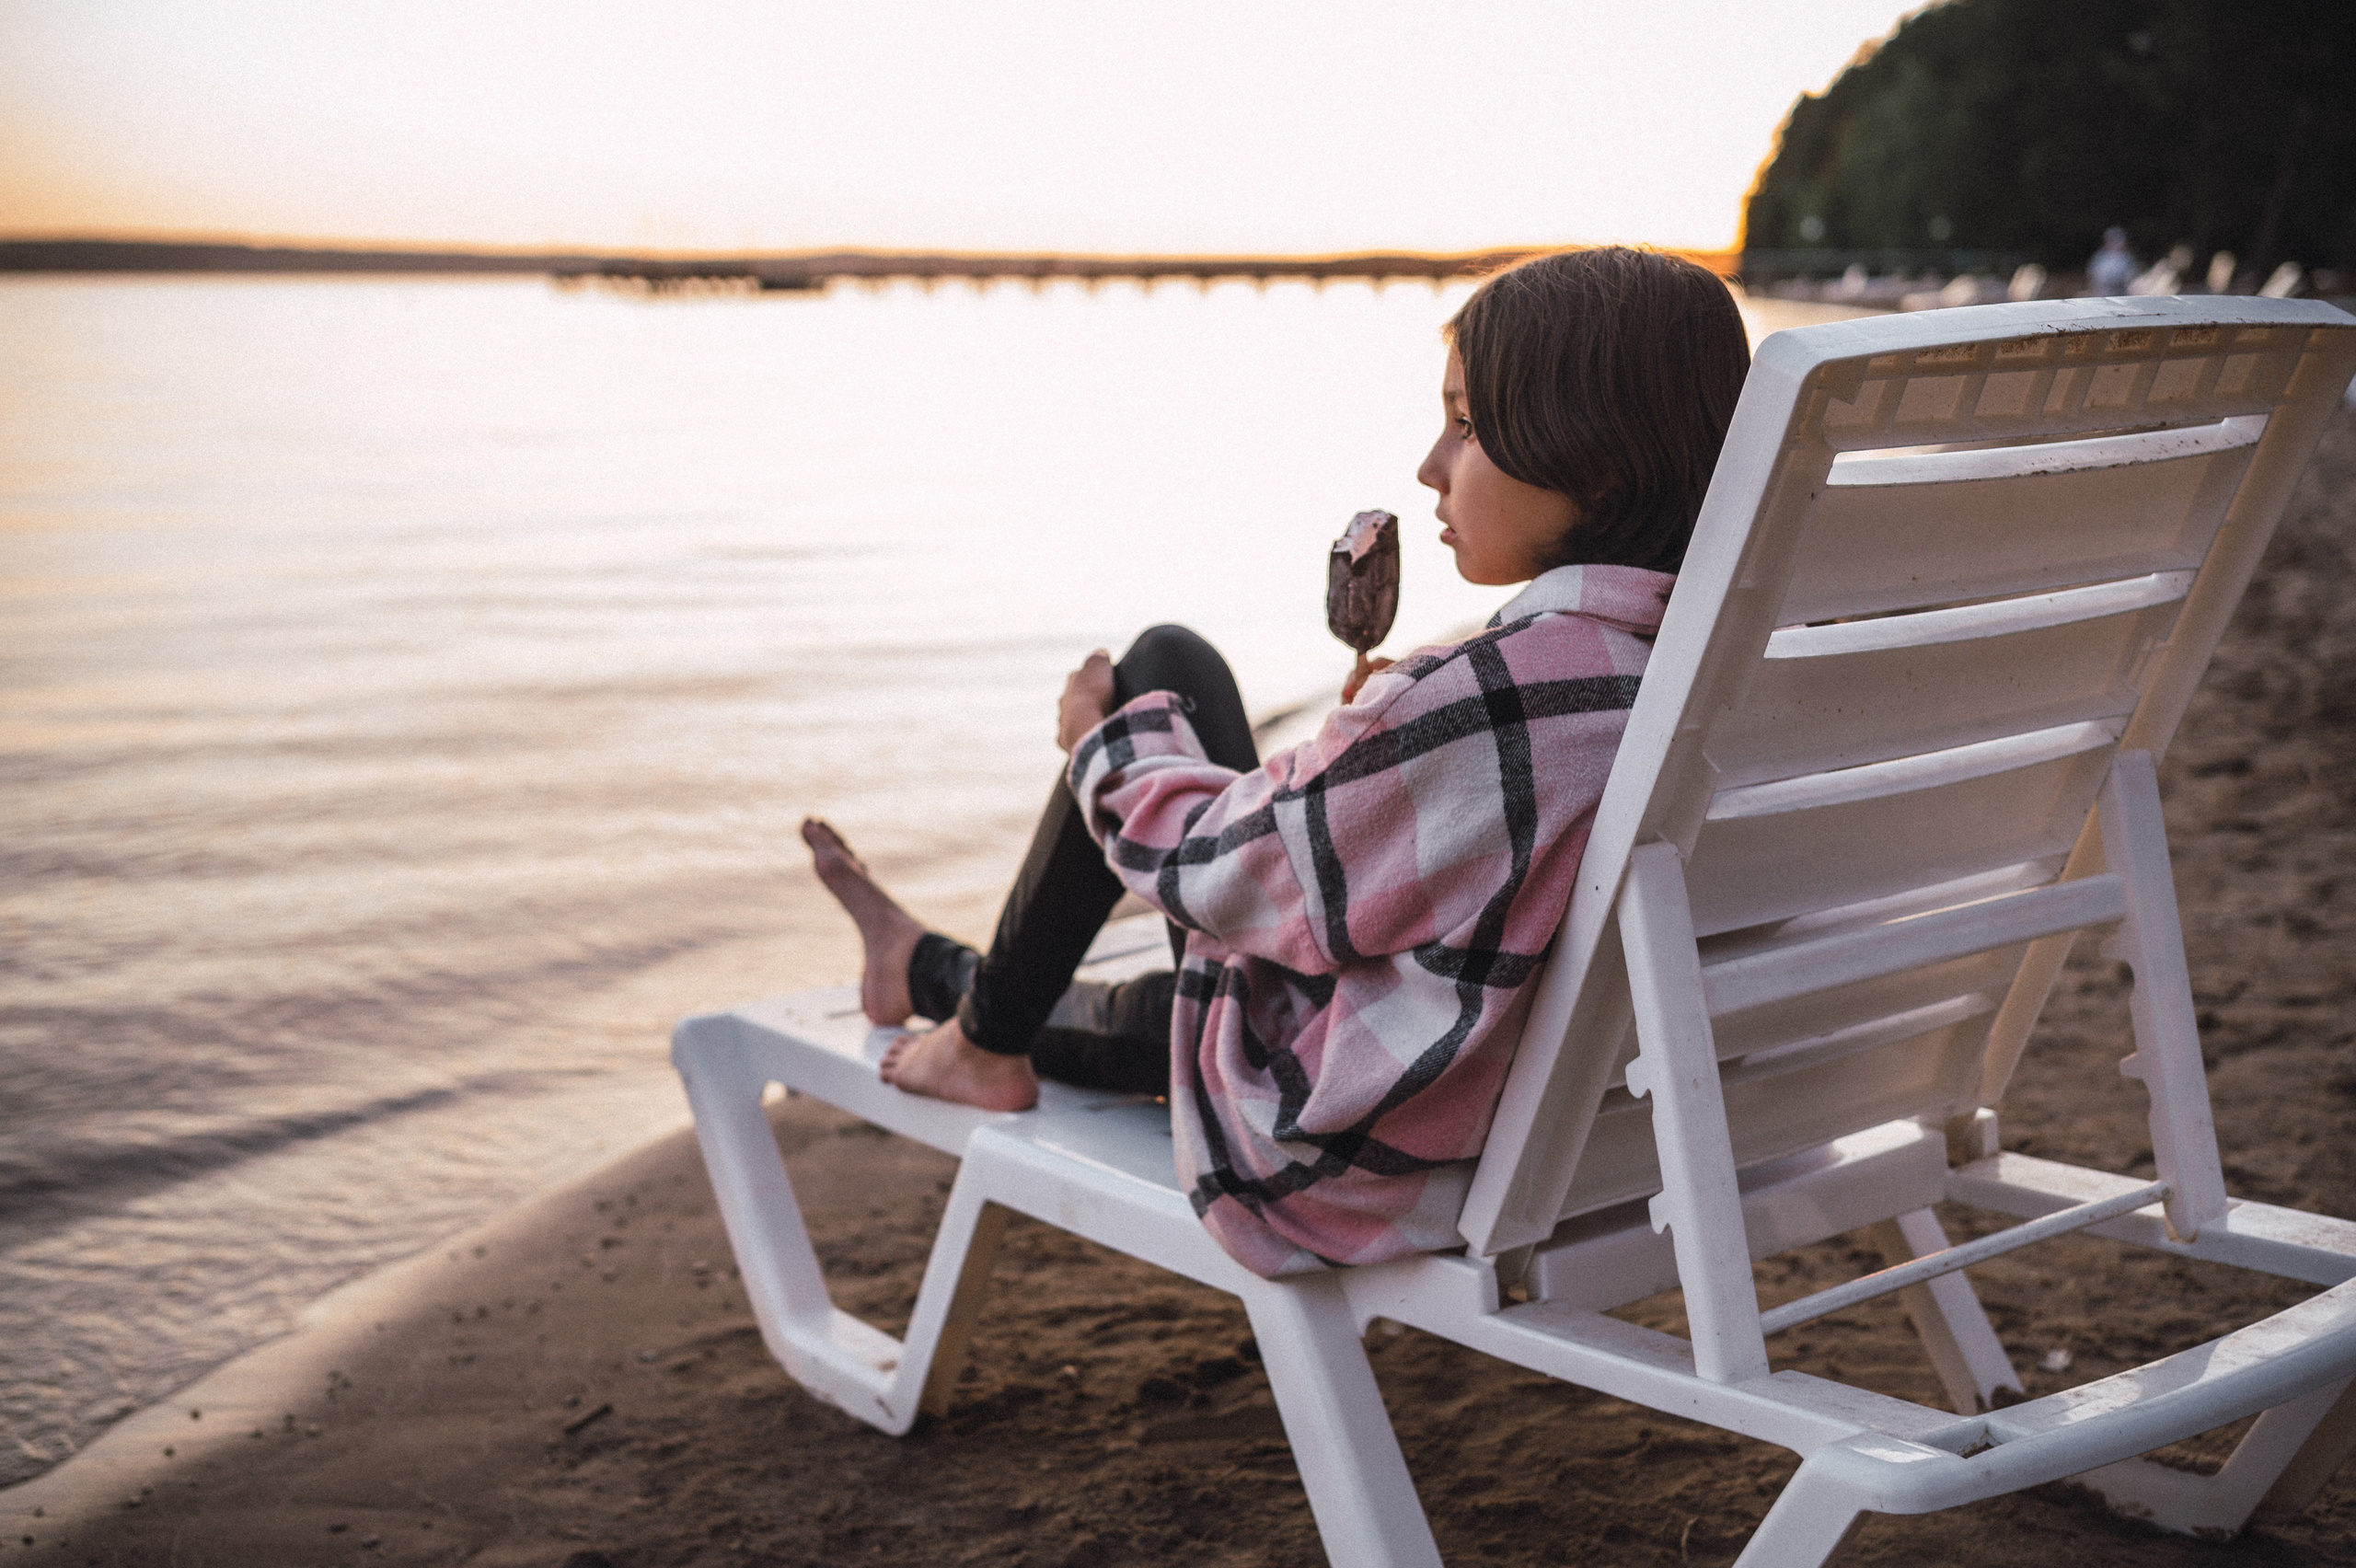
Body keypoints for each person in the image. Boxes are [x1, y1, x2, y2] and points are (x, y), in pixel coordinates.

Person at [803, 247, 1751, 1277]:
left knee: (1163, 670)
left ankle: (981, 1032)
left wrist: (1102, 752)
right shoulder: (1738, 660)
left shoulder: (1499, 697)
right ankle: (944, 984)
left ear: (1595, 457)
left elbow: (1229, 876)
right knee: (1211, 901)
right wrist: (1379, 748)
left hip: (1381, 1156)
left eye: (1467, 427)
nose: (1430, 467)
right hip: (1644, 1125)